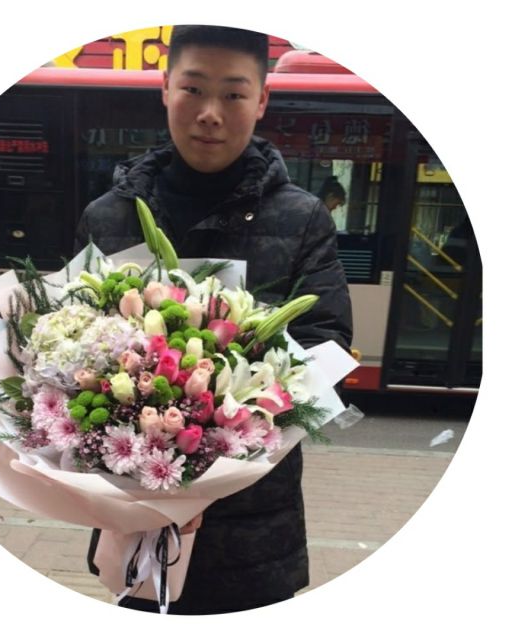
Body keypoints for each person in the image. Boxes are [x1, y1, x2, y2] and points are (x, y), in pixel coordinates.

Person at [75, 25, 353, 615]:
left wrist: (225, 435)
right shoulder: (109, 218)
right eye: (193, 88)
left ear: (262, 99)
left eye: (233, 93)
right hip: (133, 510)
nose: (210, 113)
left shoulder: (302, 219)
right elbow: (75, 342)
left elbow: (326, 344)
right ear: (165, 88)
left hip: (253, 524)